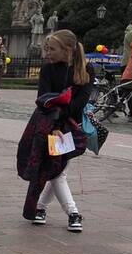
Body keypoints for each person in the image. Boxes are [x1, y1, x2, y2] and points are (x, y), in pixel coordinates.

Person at [18, 29, 91, 231]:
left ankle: (40, 207)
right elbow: (44, 98)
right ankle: (73, 212)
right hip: (49, 125)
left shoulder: (85, 69)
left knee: (57, 169)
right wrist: (55, 125)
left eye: (51, 49)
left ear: (67, 49)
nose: (47, 53)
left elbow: (81, 101)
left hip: (71, 126)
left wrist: (63, 114)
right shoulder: (48, 69)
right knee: (57, 171)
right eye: (46, 49)